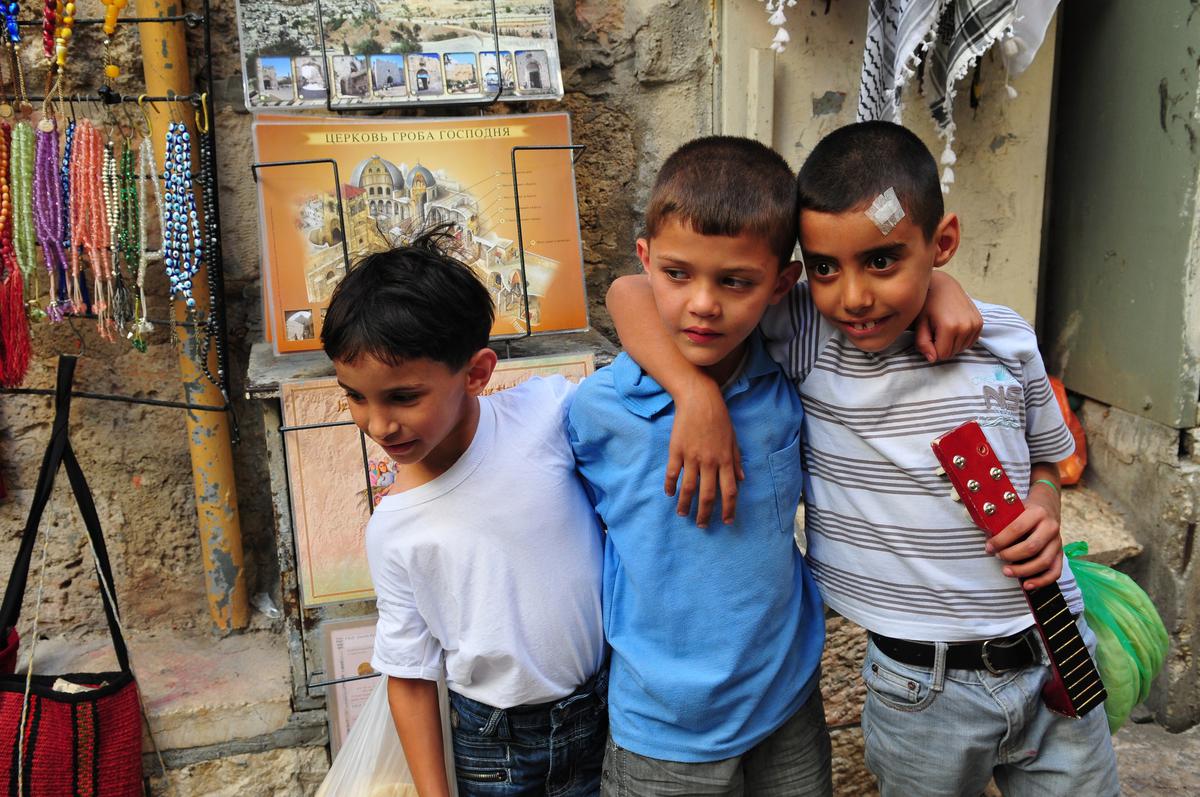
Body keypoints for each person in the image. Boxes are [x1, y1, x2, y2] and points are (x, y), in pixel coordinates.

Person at [609, 122, 1120, 796]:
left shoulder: (1003, 338)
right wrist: (694, 391)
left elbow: (1052, 461)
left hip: (1056, 640)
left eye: (881, 260)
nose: (853, 295)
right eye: (825, 267)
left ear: (943, 243)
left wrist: (1045, 503)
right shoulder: (811, 334)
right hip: (920, 682)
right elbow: (633, 290)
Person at [569, 135, 981, 797]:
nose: (704, 303)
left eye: (735, 281)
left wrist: (941, 283)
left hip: (786, 705)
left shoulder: (789, 372)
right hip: (664, 726)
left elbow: (884, 279)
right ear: (648, 260)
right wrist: (693, 391)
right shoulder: (599, 409)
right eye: (678, 275)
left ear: (780, 285)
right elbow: (625, 291)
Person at [321, 228, 607, 797]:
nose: (378, 425)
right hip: (494, 749)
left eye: (403, 397)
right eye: (355, 396)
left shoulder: (548, 414)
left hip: (608, 717)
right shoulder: (395, 529)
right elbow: (408, 674)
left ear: (476, 373)